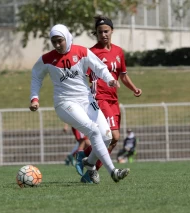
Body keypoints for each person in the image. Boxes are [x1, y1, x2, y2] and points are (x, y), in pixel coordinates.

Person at [29, 23, 130, 184]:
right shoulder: (47, 59)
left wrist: (110, 79)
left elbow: (100, 67)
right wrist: (34, 98)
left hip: (86, 99)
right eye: (53, 41)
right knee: (94, 131)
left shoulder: (82, 51)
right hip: (65, 103)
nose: (56, 45)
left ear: (67, 38)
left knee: (107, 136)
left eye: (59, 40)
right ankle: (113, 172)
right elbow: (36, 76)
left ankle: (89, 163)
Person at [76, 15, 142, 176]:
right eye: (100, 32)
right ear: (96, 34)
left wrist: (134, 88)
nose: (103, 34)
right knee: (113, 135)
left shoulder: (119, 51)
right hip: (100, 98)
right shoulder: (92, 52)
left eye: (106, 31)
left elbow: (123, 75)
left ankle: (90, 170)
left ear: (112, 31)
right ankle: (85, 157)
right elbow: (83, 75)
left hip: (113, 100)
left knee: (113, 140)